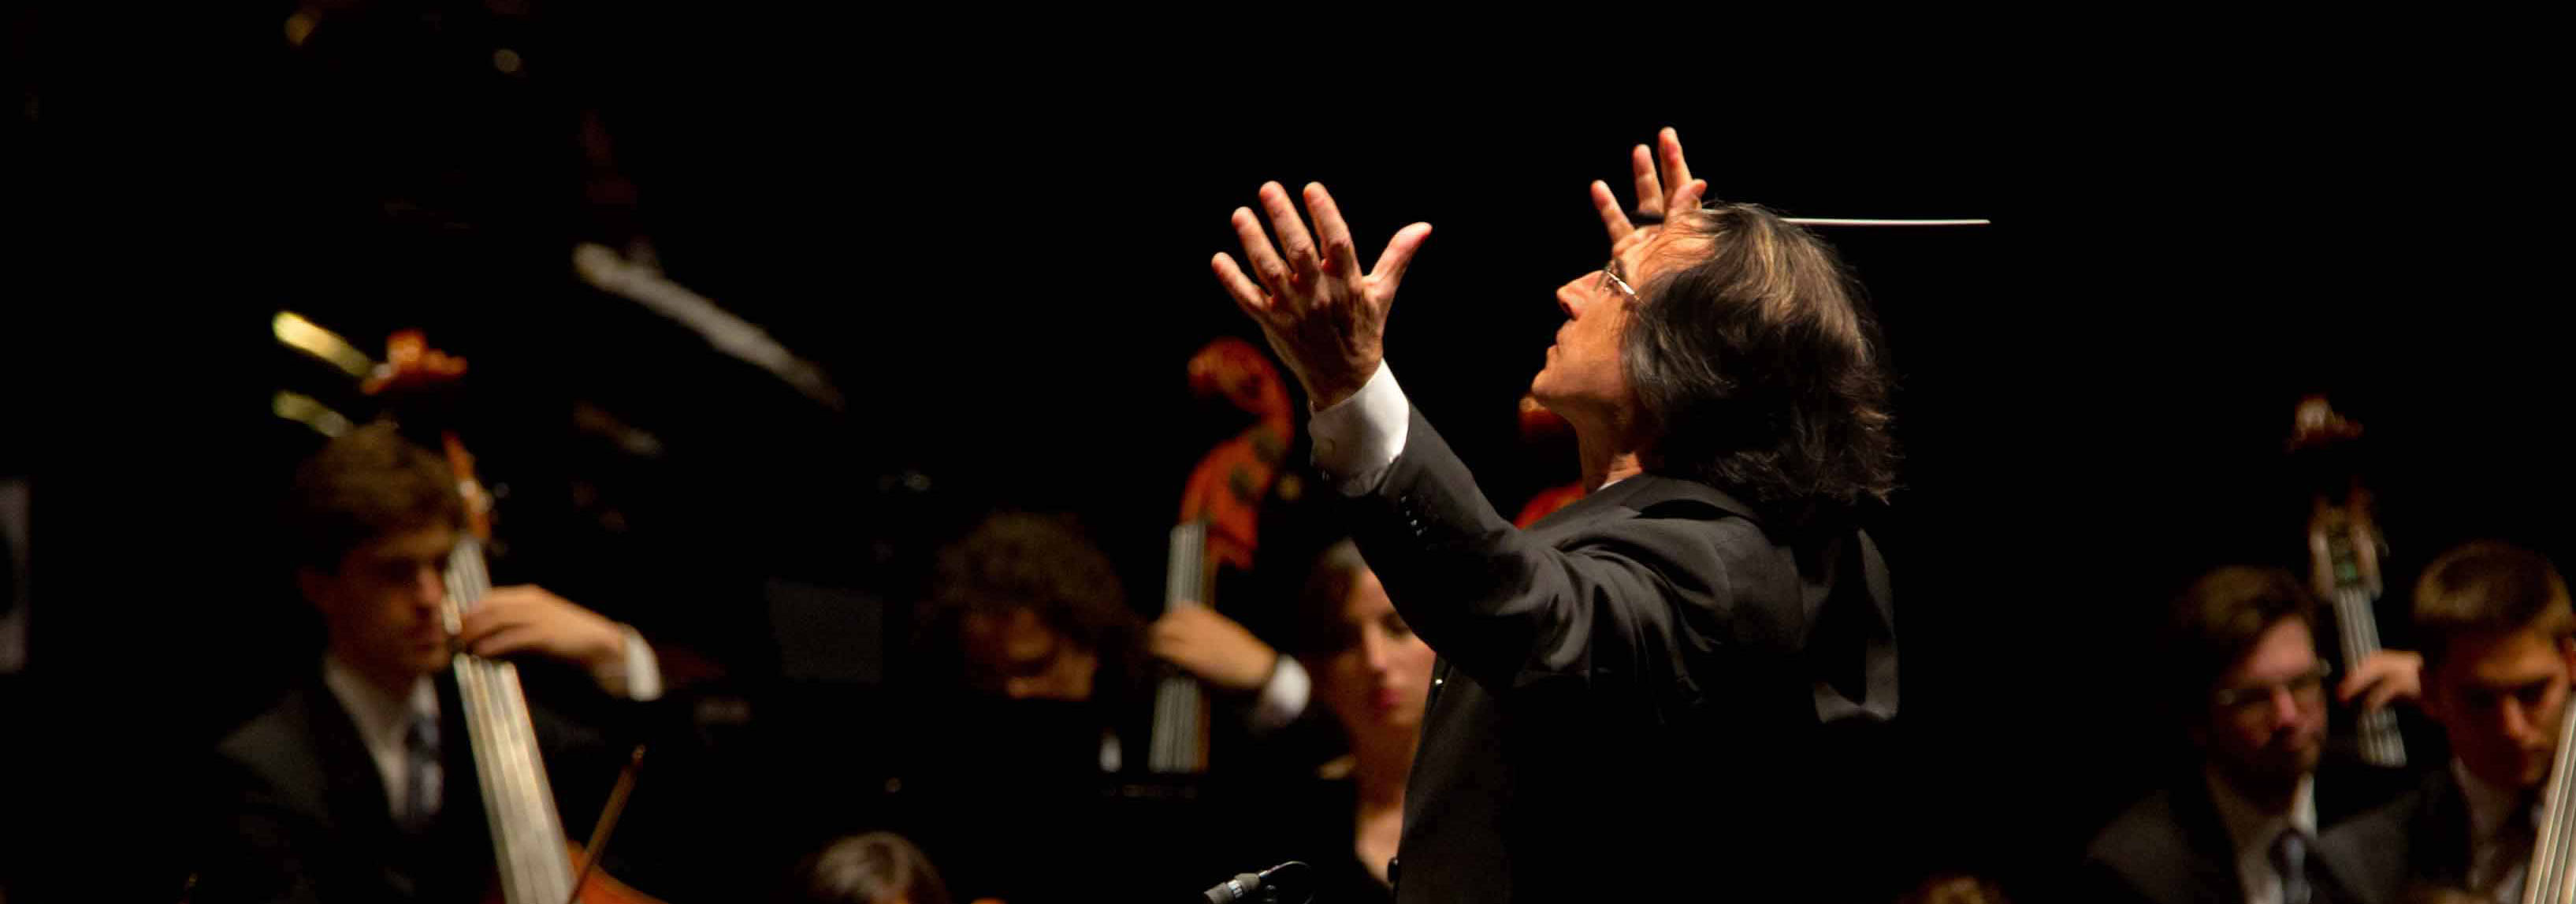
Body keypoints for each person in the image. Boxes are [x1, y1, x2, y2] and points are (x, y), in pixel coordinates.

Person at [1207, 126, 1901, 900]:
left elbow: (1527, 610)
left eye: (1610, 281)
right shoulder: (1712, 541)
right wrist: (1667, 271)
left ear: (1688, 360)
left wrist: (1351, 386)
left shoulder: (1722, 564)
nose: (1569, 291)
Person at [189, 422, 664, 903]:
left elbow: (676, 819)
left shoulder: (517, 732)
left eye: (440, 565)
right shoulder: (264, 771)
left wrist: (618, 654)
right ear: (320, 587)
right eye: (397, 573)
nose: (432, 597)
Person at [2080, 566, 2401, 904]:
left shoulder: (2382, 806)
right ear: (2197, 718)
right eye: (2252, 698)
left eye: (2302, 683)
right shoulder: (2136, 871)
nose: (2287, 717)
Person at [2330, 541, 2576, 902]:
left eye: (2532, 693)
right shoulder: (2359, 867)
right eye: (2480, 700)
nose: (2512, 728)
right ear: (2429, 691)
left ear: (2571, 664)